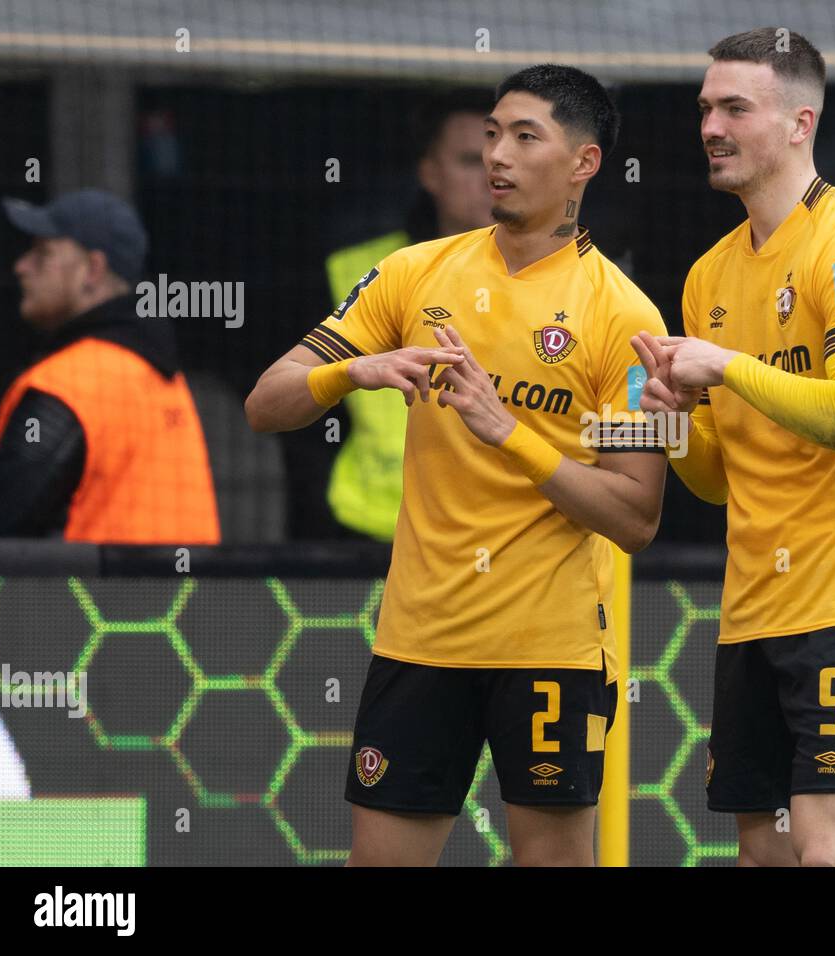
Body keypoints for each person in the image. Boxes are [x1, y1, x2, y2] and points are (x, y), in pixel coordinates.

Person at [246, 65, 668, 866]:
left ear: (584, 163)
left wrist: (508, 432)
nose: (497, 157)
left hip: (549, 650)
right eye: (489, 137)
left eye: (523, 137)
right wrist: (349, 374)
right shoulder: (413, 274)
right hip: (421, 640)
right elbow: (267, 404)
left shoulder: (625, 317)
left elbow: (635, 516)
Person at [635, 28, 835, 867]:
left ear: (801, 122)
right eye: (704, 108)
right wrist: (679, 415)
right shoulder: (708, 274)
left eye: (736, 107)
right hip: (753, 607)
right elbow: (717, 482)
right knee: (759, 853)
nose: (711, 126)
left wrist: (727, 365)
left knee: (826, 848)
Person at [0, 189, 220, 543]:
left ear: (92, 269)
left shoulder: (68, 384)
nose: (21, 266)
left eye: (42, 254)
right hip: (186, 597)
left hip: (92, 598)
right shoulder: (161, 374)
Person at [322, 89, 495, 542]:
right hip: (374, 528)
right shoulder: (356, 269)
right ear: (429, 173)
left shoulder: (577, 278)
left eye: (500, 157)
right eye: (469, 161)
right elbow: (294, 402)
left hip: (505, 534)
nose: (491, 174)